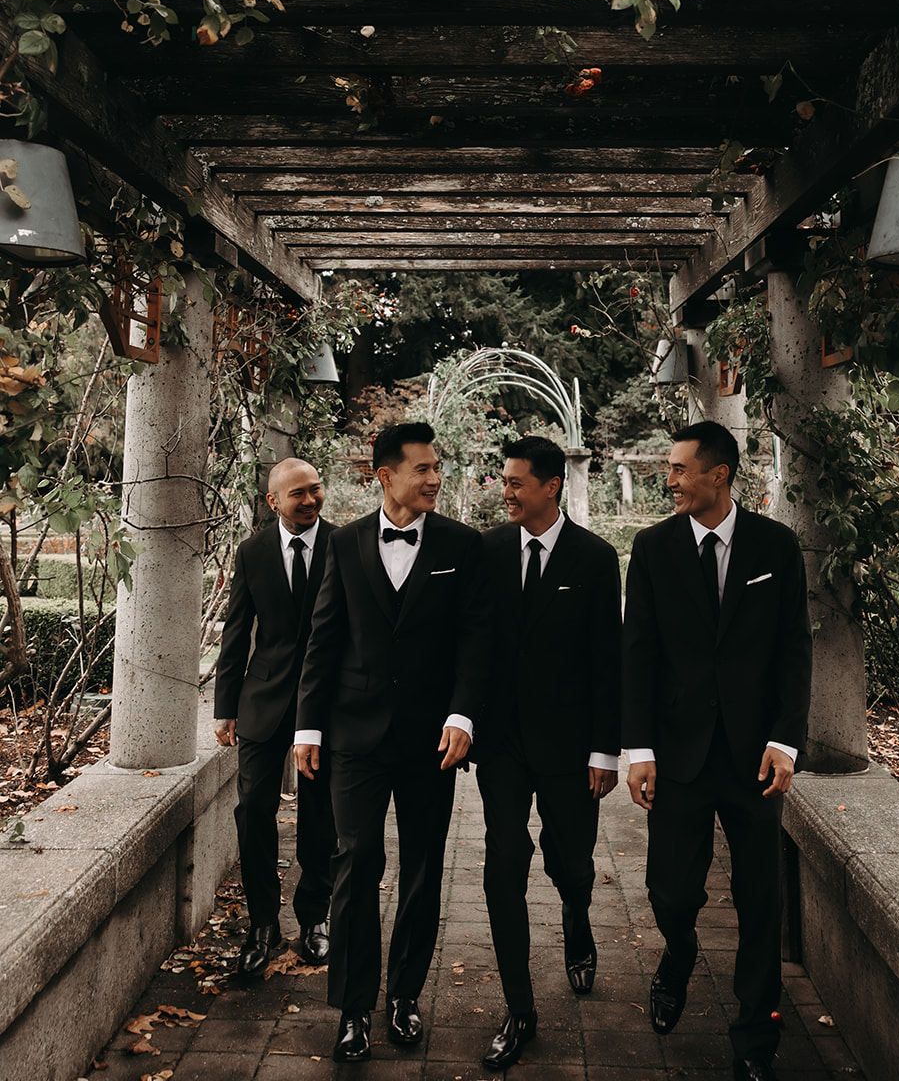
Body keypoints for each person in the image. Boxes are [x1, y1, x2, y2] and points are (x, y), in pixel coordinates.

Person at [294, 421, 491, 1065]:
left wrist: (463, 716)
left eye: (438, 469)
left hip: (433, 740)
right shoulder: (346, 544)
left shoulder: (463, 545)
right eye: (423, 469)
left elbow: (473, 643)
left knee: (424, 868)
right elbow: (323, 641)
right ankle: (352, 1008)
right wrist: (307, 726)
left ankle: (404, 997)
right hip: (354, 735)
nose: (435, 478)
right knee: (355, 863)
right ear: (386, 474)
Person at [623, 421, 812, 1081]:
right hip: (676, 753)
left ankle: (754, 1040)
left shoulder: (775, 546)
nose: (668, 479)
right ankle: (677, 954)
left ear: (718, 474)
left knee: (760, 898)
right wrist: (638, 747)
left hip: (754, 756)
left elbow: (794, 649)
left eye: (678, 469)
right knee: (669, 891)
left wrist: (786, 740)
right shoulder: (651, 549)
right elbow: (638, 653)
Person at [475, 435, 622, 1071]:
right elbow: (474, 643)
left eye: (515, 483)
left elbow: (606, 663)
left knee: (573, 863)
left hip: (570, 748)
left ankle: (578, 918)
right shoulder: (489, 551)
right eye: (503, 482)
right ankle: (520, 1009)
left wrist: (605, 750)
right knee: (503, 862)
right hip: (502, 745)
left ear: (551, 486)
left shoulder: (594, 558)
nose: (504, 492)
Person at [213, 456, 337, 976]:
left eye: (315, 490)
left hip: (325, 700)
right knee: (252, 812)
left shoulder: (342, 544)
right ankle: (263, 923)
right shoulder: (252, 552)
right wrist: (225, 708)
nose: (310, 500)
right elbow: (237, 630)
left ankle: (314, 919)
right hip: (262, 700)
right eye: (298, 494)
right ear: (273, 503)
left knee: (320, 814)